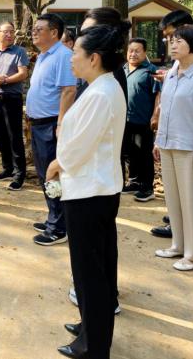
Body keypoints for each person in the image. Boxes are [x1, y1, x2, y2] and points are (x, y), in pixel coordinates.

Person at [46, 24, 128, 359]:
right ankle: (92, 327)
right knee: (100, 265)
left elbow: (78, 148)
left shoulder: (100, 93)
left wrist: (56, 164)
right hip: (96, 189)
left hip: (90, 192)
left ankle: (94, 346)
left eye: (76, 53)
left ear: (93, 58)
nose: (71, 58)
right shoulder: (103, 86)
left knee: (90, 271)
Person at [153, 24, 193, 272]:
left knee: (192, 201)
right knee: (173, 199)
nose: (172, 45)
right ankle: (178, 245)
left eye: (179, 41)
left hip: (191, 148)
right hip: (168, 143)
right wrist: (158, 141)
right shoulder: (171, 73)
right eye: (171, 41)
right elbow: (165, 110)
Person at [27, 13, 76, 246]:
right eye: (34, 29)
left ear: (54, 32)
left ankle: (58, 228)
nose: (34, 32)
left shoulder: (63, 56)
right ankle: (54, 218)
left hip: (51, 124)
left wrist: (60, 124)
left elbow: (68, 91)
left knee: (53, 175)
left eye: (39, 29)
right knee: (43, 174)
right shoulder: (44, 56)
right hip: (38, 123)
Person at [0, 21, 29, 190]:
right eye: (6, 32)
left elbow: (23, 74)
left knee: (14, 137)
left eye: (12, 32)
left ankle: (19, 175)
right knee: (0, 135)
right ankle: (7, 168)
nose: (10, 35)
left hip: (11, 98)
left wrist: (4, 80)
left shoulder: (19, 51)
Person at [121, 38, 161, 202]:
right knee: (130, 153)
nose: (133, 54)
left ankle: (147, 187)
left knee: (144, 154)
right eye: (131, 50)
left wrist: (155, 115)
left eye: (137, 50)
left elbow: (158, 95)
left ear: (145, 53)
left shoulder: (151, 71)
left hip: (143, 120)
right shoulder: (122, 69)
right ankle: (135, 182)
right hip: (125, 120)